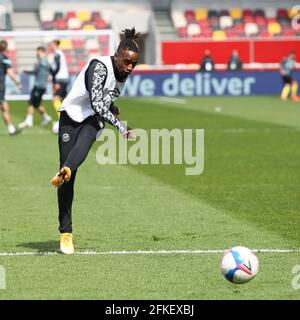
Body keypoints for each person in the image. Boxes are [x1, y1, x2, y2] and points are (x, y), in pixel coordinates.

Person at [50, 27, 139, 254]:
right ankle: (65, 231)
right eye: (126, 62)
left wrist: (113, 107)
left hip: (93, 118)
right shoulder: (99, 66)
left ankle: (67, 171)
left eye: (133, 64)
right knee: (67, 179)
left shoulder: (122, 76)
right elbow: (97, 100)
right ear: (117, 55)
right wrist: (121, 126)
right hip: (71, 115)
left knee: (89, 136)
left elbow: (103, 103)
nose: (129, 68)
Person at [19, 46, 52, 129]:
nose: (36, 53)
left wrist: (26, 71)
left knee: (31, 102)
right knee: (36, 103)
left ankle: (29, 121)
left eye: (37, 52)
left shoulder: (42, 61)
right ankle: (46, 117)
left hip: (39, 85)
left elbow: (36, 71)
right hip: (41, 85)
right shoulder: (45, 62)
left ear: (41, 51)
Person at [0, 40, 21, 135]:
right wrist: (17, 81)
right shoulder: (4, 58)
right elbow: (10, 72)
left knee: (4, 107)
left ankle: (11, 128)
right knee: (4, 107)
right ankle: (11, 128)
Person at [48, 39, 69, 132]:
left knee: (55, 99)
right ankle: (69, 119)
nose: (50, 46)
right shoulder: (60, 53)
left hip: (59, 79)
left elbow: (57, 67)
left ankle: (62, 119)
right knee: (64, 100)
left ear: (56, 45)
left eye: (51, 44)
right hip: (64, 78)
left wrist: (54, 78)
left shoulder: (57, 54)